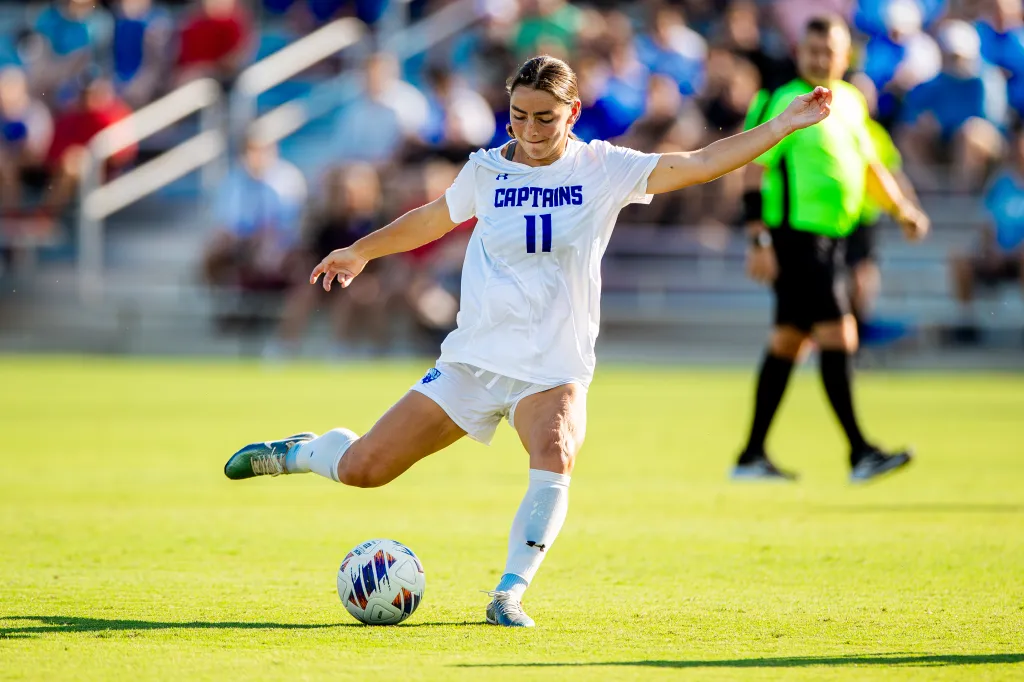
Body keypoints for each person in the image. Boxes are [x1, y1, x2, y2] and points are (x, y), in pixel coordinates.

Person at [223, 55, 832, 627]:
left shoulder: (604, 168)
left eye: (545, 116)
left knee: (557, 447)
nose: (531, 128)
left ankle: (508, 592)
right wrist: (360, 250)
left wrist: (783, 124)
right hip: (475, 360)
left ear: (572, 112)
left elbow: (699, 163)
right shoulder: (486, 170)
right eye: (519, 115)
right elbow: (432, 218)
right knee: (364, 470)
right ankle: (303, 451)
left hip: (554, 365)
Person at [733, 16, 930, 485]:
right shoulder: (787, 100)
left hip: (832, 241)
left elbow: (869, 165)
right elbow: (754, 171)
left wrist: (902, 209)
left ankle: (750, 455)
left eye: (829, 52)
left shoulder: (851, 101)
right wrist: (759, 239)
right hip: (797, 239)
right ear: (801, 53)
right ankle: (860, 452)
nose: (821, 60)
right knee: (840, 334)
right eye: (813, 51)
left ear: (845, 56)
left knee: (789, 341)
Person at [949, 124, 1024, 341]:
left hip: (1018, 256)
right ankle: (967, 322)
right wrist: (991, 250)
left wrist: (1011, 253)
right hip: (996, 254)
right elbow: (987, 223)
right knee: (960, 258)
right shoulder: (1001, 183)